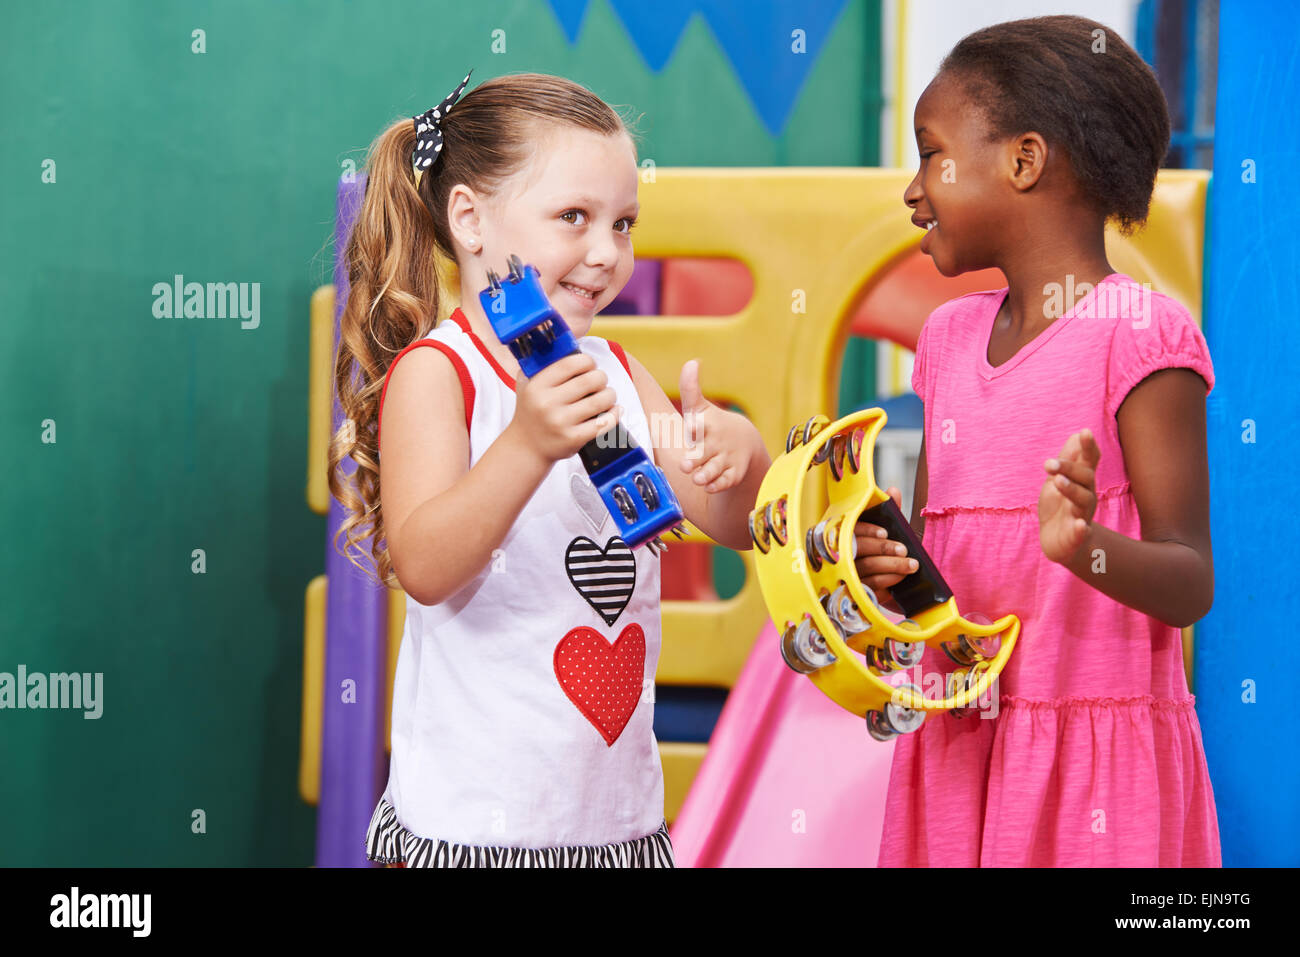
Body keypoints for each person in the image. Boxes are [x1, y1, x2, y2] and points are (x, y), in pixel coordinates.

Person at [328, 70, 770, 867]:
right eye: (575, 217)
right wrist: (528, 444)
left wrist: (738, 457)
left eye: (624, 223)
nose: (608, 254)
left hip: (612, 826)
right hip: (472, 829)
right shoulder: (441, 372)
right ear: (469, 217)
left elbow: (735, 522)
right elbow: (426, 564)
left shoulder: (616, 370)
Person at [853, 16, 1221, 866]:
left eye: (931, 153)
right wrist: (889, 562)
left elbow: (1189, 579)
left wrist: (1086, 548)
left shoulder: (1140, 334)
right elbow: (941, 584)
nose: (912, 190)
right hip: (959, 745)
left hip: (1090, 776)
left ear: (1024, 160)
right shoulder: (944, 339)